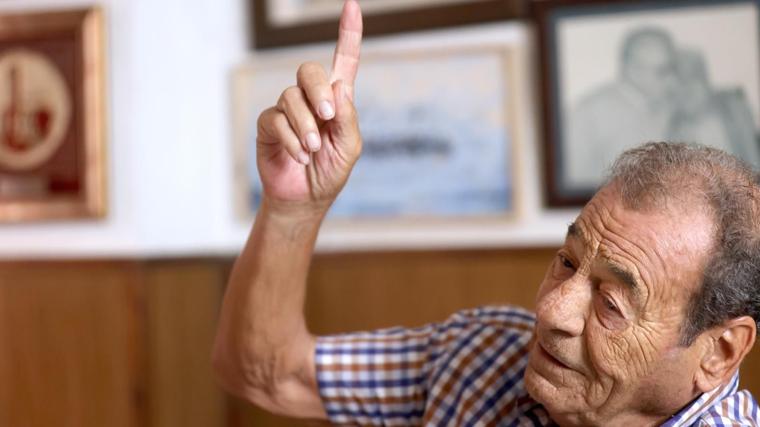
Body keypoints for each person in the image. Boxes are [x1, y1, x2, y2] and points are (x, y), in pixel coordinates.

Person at [212, 2, 760, 425]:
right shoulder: (485, 357)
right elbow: (265, 373)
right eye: (567, 263)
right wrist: (292, 207)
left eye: (613, 303)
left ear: (718, 352)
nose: (552, 311)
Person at [565, 27, 681, 190]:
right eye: (662, 71)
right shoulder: (589, 112)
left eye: (672, 69)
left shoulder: (673, 106)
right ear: (633, 69)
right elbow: (574, 181)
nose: (672, 79)